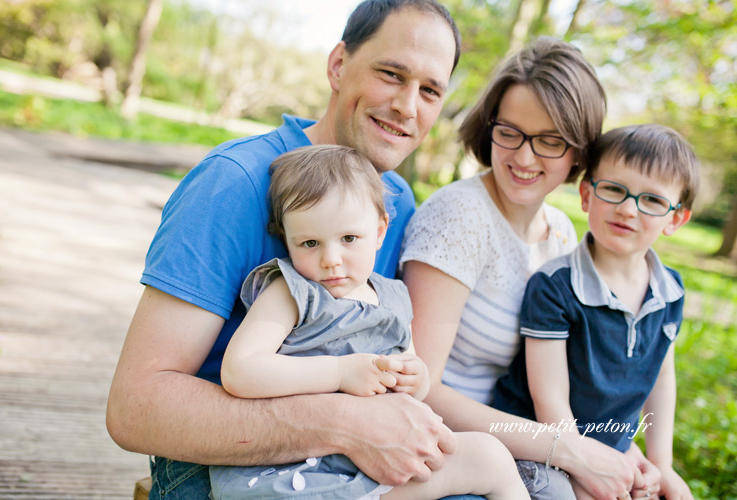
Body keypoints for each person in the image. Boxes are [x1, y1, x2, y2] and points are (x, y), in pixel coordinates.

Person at [106, 1, 469, 499]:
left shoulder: (397, 202)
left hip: (348, 468)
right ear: (338, 65)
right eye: (392, 74)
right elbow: (135, 409)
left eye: (430, 90)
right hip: (223, 472)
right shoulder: (235, 182)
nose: (408, 106)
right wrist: (344, 422)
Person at [400, 37, 657, 499]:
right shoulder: (459, 217)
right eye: (510, 132)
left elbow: (559, 378)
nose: (523, 157)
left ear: (579, 152)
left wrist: (619, 451)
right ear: (489, 126)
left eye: (550, 142)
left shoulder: (559, 232)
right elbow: (419, 386)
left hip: (523, 445)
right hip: (444, 453)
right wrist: (567, 450)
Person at [209, 145, 529, 500]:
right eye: (310, 243)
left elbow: (411, 380)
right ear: (287, 239)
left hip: (371, 466)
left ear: (379, 232)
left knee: (491, 456)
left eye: (348, 239)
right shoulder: (293, 292)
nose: (331, 260)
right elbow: (240, 371)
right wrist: (341, 373)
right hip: (296, 472)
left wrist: (416, 379)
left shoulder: (393, 297)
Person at [492, 124, 699, 500]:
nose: (627, 208)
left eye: (652, 200)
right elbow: (549, 397)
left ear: (676, 219)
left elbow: (662, 375)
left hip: (609, 446)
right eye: (614, 190)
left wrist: (662, 464)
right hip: (542, 442)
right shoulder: (556, 285)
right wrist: (584, 468)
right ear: (587, 194)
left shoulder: (670, 291)